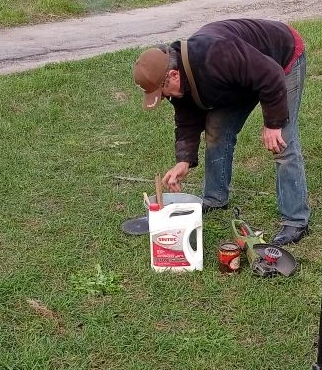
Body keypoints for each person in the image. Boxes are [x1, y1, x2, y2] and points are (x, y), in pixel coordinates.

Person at [132, 18, 311, 246]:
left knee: (282, 141)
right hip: (243, 77)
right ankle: (215, 198)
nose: (166, 98)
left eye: (164, 93)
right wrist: (183, 161)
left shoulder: (215, 55)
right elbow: (187, 118)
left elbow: (270, 74)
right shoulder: (180, 76)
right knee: (216, 129)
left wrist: (273, 124)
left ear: (174, 75)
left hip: (281, 60)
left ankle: (296, 220)